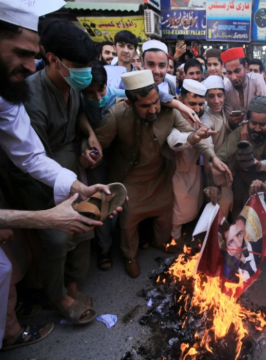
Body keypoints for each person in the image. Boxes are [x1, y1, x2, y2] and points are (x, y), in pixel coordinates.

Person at [0, 2, 118, 358]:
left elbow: (30, 154)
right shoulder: (31, 90)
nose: (30, 66)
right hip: (19, 187)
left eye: (34, 55)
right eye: (24, 54)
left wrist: (79, 187)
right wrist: (43, 217)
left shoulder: (2, 89)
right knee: (46, 242)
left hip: (51, 171)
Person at [6, 19, 103, 326]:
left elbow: (76, 120)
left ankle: (73, 285)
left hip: (68, 166)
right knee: (57, 238)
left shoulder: (71, 86)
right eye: (79, 65)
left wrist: (89, 137)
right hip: (36, 176)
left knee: (85, 224)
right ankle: (57, 294)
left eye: (89, 65)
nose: (85, 72)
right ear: (52, 60)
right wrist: (73, 175)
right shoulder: (31, 96)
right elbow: (34, 159)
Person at [90, 70, 230, 278]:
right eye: (146, 106)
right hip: (130, 179)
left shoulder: (169, 112)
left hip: (160, 175)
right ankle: (130, 255)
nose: (154, 109)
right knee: (129, 221)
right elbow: (96, 146)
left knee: (165, 214)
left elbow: (191, 135)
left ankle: (160, 241)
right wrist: (89, 154)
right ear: (130, 104)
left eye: (156, 102)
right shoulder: (117, 115)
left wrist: (212, 156)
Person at [211, 96, 266, 271]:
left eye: (262, 124)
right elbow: (220, 157)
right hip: (245, 179)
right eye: (253, 123)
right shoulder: (238, 133)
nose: (257, 128)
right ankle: (238, 248)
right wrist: (216, 175)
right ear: (248, 119)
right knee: (239, 213)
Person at [78, 63, 127, 271]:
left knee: (123, 198)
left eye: (101, 90)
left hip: (120, 156)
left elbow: (151, 96)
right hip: (95, 159)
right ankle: (104, 248)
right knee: (103, 202)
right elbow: (78, 121)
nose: (98, 98)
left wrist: (180, 105)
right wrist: (87, 142)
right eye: (90, 93)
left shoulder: (117, 94)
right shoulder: (78, 100)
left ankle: (125, 242)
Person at [169, 80, 208, 246]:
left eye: (200, 104)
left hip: (195, 170)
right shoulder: (173, 116)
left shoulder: (201, 118)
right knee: (179, 208)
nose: (196, 109)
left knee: (194, 203)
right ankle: (174, 238)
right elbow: (174, 140)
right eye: (192, 104)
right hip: (178, 172)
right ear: (180, 99)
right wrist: (193, 138)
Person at [201, 76, 234, 216]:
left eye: (219, 95)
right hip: (217, 169)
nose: (216, 101)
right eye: (211, 96)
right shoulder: (206, 117)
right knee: (222, 204)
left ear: (225, 95)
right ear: (206, 98)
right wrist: (213, 166)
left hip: (230, 166)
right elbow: (205, 142)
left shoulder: (226, 110)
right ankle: (217, 236)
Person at [222, 48, 266, 129]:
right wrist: (232, 122)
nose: (233, 78)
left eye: (237, 71)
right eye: (229, 73)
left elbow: (265, 110)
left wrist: (246, 125)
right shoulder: (227, 89)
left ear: (246, 67)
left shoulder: (257, 79)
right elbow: (228, 121)